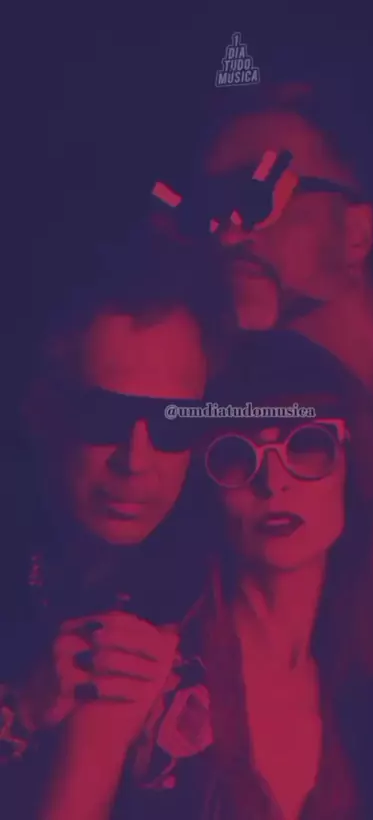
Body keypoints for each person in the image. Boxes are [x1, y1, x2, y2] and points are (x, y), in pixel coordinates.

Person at [35, 332, 373, 820]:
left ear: (353, 467)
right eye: (235, 455)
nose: (273, 481)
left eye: (307, 445)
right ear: (205, 485)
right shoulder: (136, 665)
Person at [169, 66, 373, 660]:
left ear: (356, 232)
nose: (228, 232)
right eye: (210, 207)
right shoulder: (208, 415)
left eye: (261, 193)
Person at [0, 220, 229, 814]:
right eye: (104, 417)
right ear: (42, 412)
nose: (136, 459)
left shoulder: (236, 567)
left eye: (174, 423)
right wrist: (19, 709)